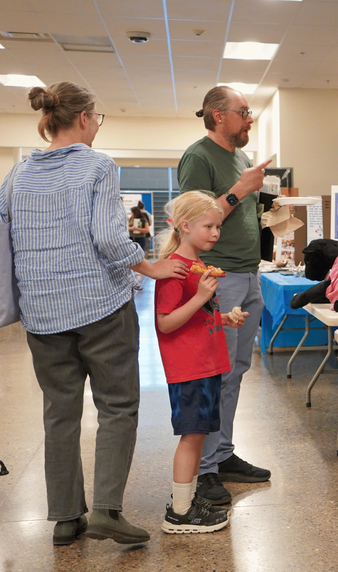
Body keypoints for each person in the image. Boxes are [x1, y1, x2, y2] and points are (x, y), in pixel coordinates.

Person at [0, 82, 188, 546]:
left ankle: (66, 517)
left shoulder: (17, 174)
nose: (97, 126)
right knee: (117, 405)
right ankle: (106, 509)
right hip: (98, 304)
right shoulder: (97, 165)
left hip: (41, 312)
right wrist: (152, 265)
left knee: (59, 412)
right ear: (84, 117)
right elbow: (108, 238)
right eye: (98, 118)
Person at [178, 86, 272, 505]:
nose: (249, 118)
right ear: (218, 115)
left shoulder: (241, 157)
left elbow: (237, 212)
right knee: (216, 372)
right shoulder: (198, 157)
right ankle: (205, 469)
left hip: (249, 275)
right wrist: (240, 189)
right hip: (221, 276)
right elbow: (194, 219)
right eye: (243, 111)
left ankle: (222, 453)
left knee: (235, 371)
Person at [155, 191, 250, 534]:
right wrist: (200, 296)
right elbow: (166, 322)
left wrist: (224, 318)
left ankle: (188, 499)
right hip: (189, 367)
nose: (215, 233)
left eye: (218, 227)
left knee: (199, 435)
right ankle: (179, 512)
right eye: (208, 226)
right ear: (184, 226)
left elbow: (198, 316)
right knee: (191, 437)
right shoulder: (175, 271)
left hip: (208, 363)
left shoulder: (199, 267)